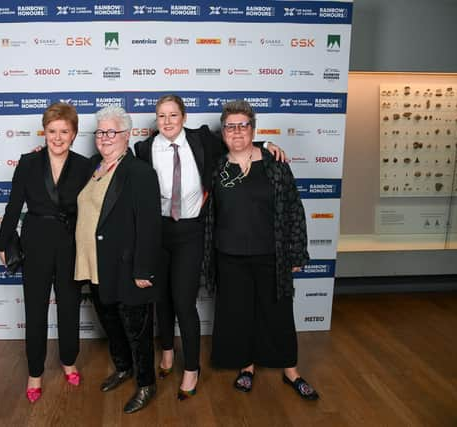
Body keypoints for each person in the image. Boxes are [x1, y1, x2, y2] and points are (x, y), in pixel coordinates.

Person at [133, 94, 285, 399]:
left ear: (184, 117)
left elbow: (239, 141)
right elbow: (117, 167)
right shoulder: (144, 149)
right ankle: (166, 351)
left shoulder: (203, 140)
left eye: (173, 115)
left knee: (183, 301)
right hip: (158, 233)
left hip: (191, 232)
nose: (167, 122)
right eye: (161, 116)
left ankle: (191, 368)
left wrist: (267, 145)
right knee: (160, 299)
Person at [210, 100, 319, 400]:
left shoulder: (275, 163)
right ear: (223, 132)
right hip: (229, 256)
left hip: (271, 254)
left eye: (243, 126)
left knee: (278, 313)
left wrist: (297, 253)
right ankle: (246, 367)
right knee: (239, 314)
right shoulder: (217, 166)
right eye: (230, 127)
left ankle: (290, 371)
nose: (236, 132)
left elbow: (295, 209)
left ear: (253, 129)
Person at [0, 102, 91, 403]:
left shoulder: (85, 165)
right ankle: (34, 372)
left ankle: (68, 360)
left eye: (65, 131)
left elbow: (92, 211)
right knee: (35, 311)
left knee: (68, 306)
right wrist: (2, 241)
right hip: (35, 243)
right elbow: (13, 206)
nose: (58, 137)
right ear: (44, 131)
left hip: (70, 244)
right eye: (52, 131)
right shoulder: (27, 163)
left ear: (74, 133)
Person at [74, 106, 162, 414]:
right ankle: (124, 369)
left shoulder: (139, 173)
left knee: (137, 332)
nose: (104, 138)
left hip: (127, 268)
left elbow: (150, 225)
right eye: (100, 132)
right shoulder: (93, 168)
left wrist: (143, 270)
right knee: (111, 325)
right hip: (96, 265)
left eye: (112, 132)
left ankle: (146, 383)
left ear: (126, 135)